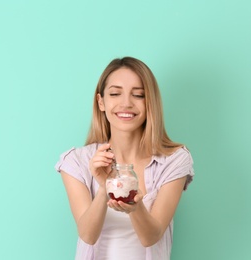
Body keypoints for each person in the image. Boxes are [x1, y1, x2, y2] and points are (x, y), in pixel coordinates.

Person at [55, 56, 194, 260]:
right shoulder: (76, 161)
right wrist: (105, 187)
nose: (126, 103)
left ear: (150, 103)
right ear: (101, 102)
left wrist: (136, 208)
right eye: (115, 93)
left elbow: (151, 236)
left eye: (138, 95)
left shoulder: (174, 160)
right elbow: (87, 235)